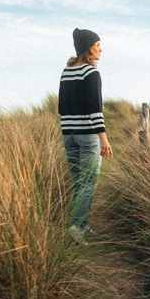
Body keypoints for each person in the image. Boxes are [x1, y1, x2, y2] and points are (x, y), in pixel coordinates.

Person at [58, 28, 112, 243]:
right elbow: (95, 108)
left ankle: (82, 223)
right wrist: (103, 137)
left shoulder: (66, 71)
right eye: (98, 45)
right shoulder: (91, 73)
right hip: (88, 135)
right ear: (89, 47)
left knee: (79, 181)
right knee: (89, 182)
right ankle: (77, 228)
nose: (101, 49)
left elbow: (61, 107)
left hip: (68, 134)